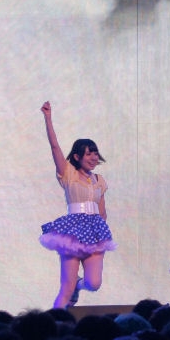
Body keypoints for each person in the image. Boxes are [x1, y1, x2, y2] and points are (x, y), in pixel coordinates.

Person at [39, 101, 116, 309]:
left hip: (95, 230)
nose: (94, 157)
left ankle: (78, 287)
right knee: (65, 287)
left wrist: (101, 230)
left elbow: (102, 211)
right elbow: (55, 147)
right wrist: (48, 118)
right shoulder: (68, 174)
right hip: (72, 230)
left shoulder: (100, 180)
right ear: (77, 156)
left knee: (94, 283)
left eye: (95, 153)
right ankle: (56, 322)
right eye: (89, 153)